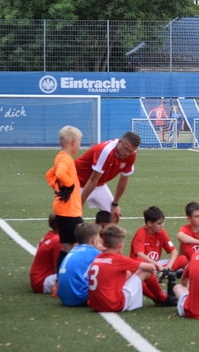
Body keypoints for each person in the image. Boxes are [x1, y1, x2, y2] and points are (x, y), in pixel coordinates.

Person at [75, 131, 141, 224]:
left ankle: (97, 236)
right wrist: (80, 204)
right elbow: (93, 180)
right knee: (72, 216)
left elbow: (124, 180)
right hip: (76, 182)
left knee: (114, 216)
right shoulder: (106, 151)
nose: (127, 153)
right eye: (125, 149)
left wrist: (115, 204)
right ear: (120, 142)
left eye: (130, 151)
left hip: (97, 184)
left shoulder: (131, 156)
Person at [88, 224, 156, 312]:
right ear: (120, 246)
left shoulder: (98, 257)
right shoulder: (118, 259)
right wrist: (154, 270)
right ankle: (161, 298)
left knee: (127, 273)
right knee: (145, 271)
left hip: (95, 304)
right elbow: (150, 267)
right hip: (113, 304)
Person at [45, 125, 83, 271]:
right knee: (81, 243)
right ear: (73, 142)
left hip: (66, 209)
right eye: (79, 142)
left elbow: (49, 175)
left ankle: (60, 279)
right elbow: (60, 174)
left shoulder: (60, 157)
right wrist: (69, 185)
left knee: (69, 244)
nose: (79, 145)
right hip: (69, 211)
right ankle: (67, 276)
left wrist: (58, 188)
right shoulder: (66, 159)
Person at [129, 206, 183, 306]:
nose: (162, 225)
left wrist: (168, 267)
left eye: (162, 222)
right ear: (149, 223)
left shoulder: (161, 232)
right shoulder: (141, 233)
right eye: (159, 223)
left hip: (156, 266)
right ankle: (157, 297)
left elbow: (174, 251)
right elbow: (139, 254)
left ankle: (164, 274)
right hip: (142, 267)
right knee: (139, 260)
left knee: (183, 259)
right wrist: (157, 266)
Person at [57, 222, 102, 306]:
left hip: (64, 298)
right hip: (79, 297)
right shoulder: (95, 253)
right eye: (99, 237)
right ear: (93, 240)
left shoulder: (73, 250)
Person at [29, 213, 61, 294]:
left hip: (38, 278)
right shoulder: (57, 240)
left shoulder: (49, 235)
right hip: (42, 281)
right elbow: (59, 267)